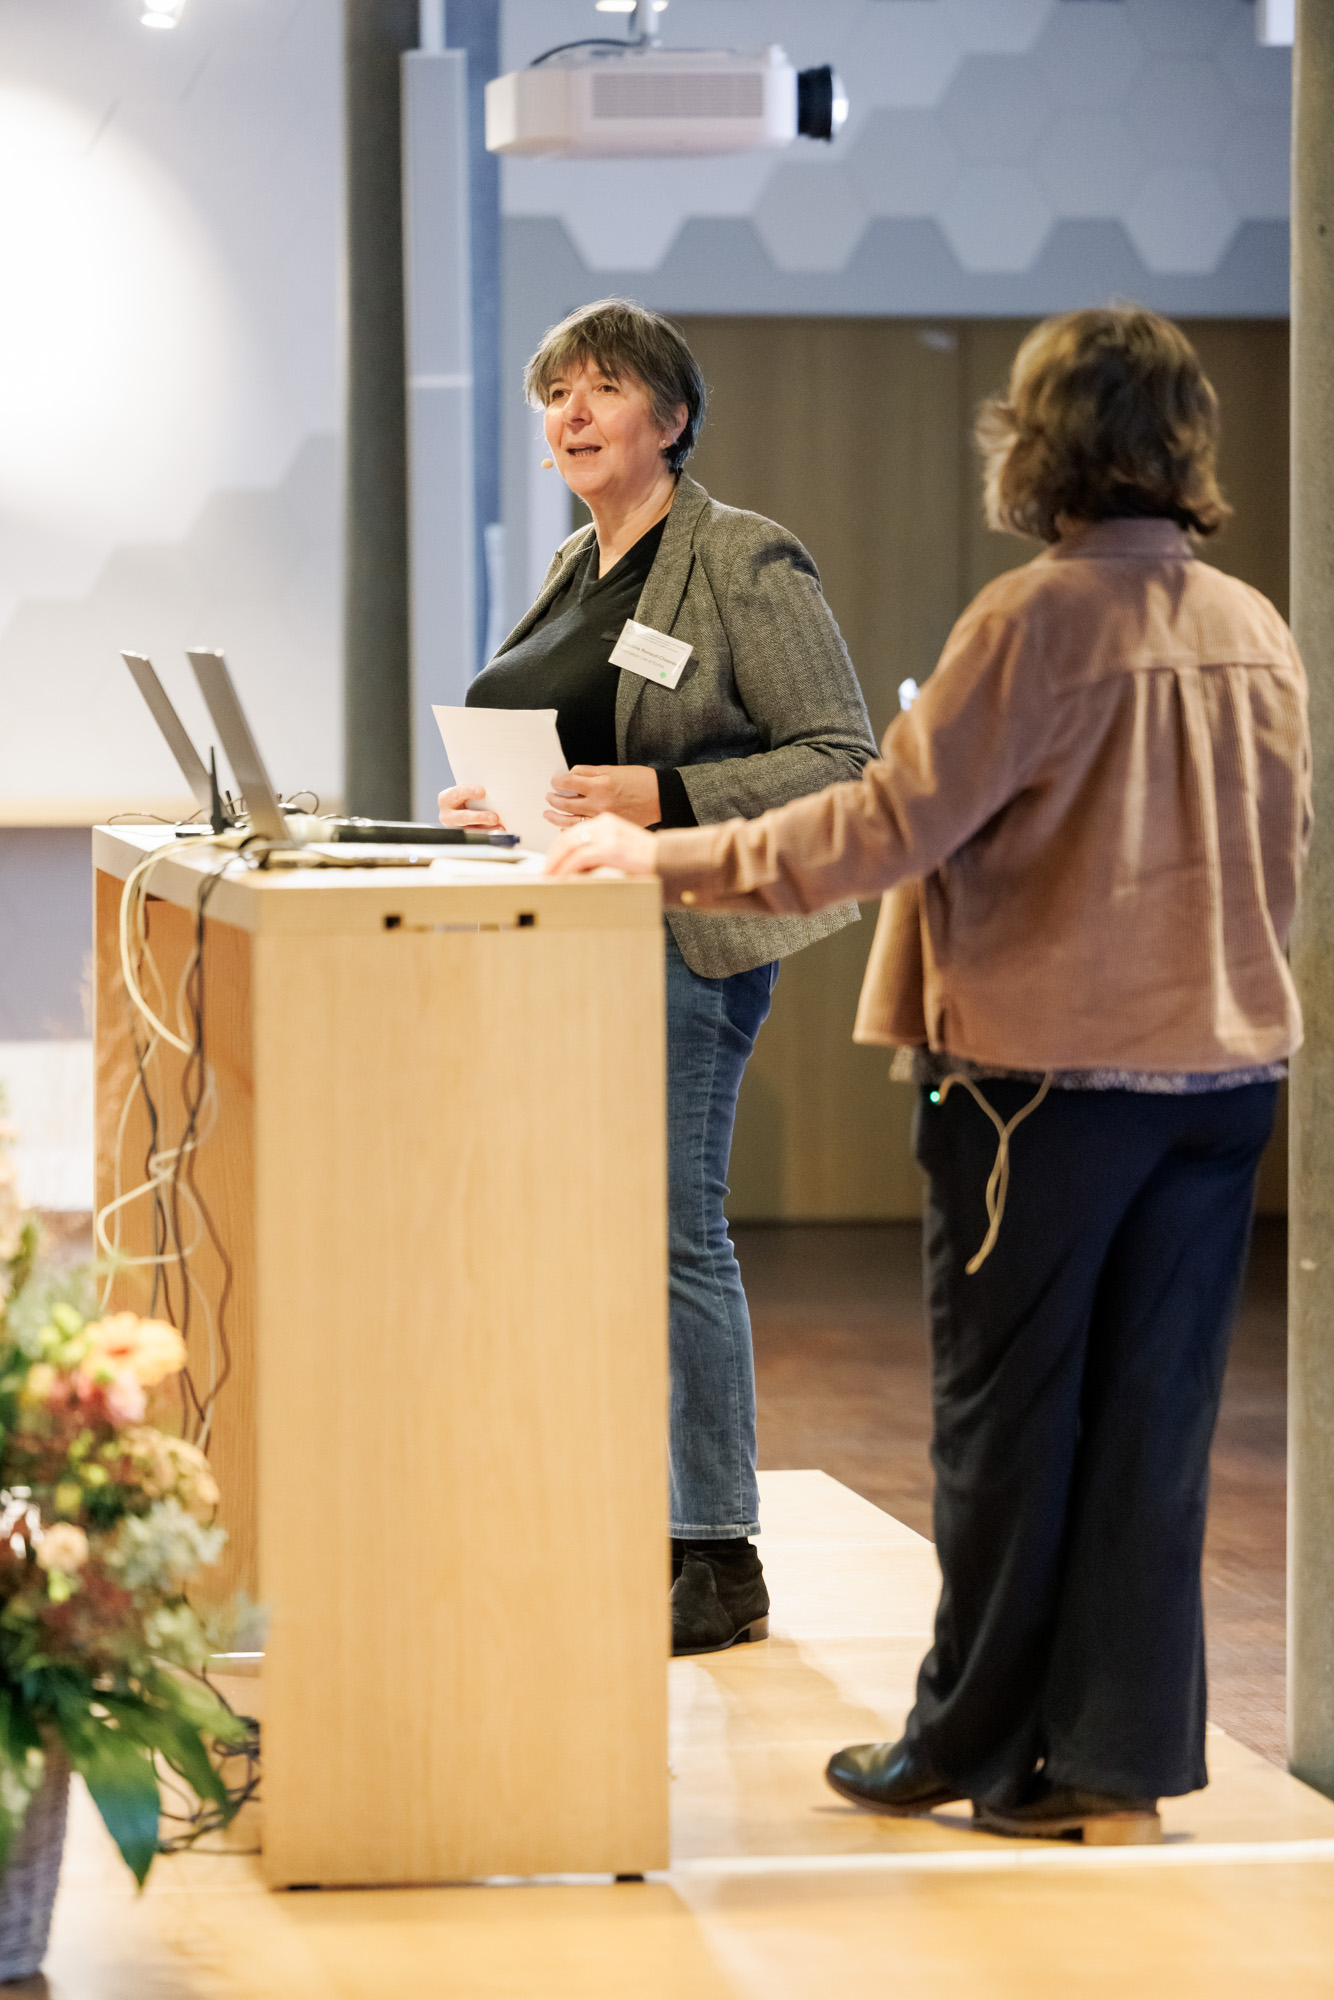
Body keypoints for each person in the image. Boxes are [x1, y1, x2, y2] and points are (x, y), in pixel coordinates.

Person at [546, 306, 1310, 1841]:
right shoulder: (1250, 622)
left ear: (1035, 443)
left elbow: (880, 824)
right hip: (1223, 1084)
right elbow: (1282, 842)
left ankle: (961, 1741)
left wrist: (660, 854)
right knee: (1150, 1437)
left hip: (1037, 1088)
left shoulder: (1031, 618)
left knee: (1006, 1426)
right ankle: (1110, 1775)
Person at [440, 299, 876, 1655]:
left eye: (604, 389)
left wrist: (662, 792)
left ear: (672, 417)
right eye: (556, 393)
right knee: (586, 1235)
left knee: (672, 1232)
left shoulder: (740, 556)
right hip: (561, 945)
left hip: (679, 940)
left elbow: (843, 763)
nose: (571, 415)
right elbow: (565, 757)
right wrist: (501, 804)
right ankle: (622, 1507)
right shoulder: (575, 565)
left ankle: (716, 1555)